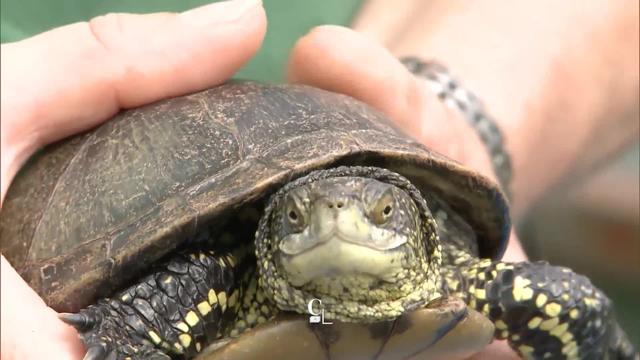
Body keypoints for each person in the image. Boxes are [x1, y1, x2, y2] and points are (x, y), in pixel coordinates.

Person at [1, 0, 637, 359]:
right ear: (275, 233)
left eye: (381, 215)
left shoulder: (457, 275)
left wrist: (450, 109)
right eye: (301, 218)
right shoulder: (221, 266)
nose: (339, 223)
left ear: (416, 226)